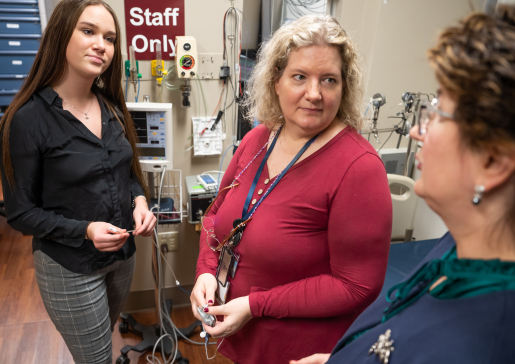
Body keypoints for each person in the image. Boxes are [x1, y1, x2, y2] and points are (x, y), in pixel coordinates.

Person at [292, 5, 515, 364]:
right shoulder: (461, 245)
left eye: (437, 115)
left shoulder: (482, 341)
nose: (416, 131)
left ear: (491, 162)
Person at [190, 15, 392, 364]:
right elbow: (215, 215)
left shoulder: (358, 167)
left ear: (343, 88)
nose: (314, 94)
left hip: (300, 353)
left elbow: (356, 285)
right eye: (300, 77)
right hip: (238, 337)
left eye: (328, 80)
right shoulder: (258, 138)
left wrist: (256, 305)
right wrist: (206, 271)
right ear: (276, 81)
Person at [0, 1, 156, 363]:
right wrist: (85, 230)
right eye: (88, 31)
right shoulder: (26, 120)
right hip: (69, 266)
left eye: (110, 38)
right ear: (60, 36)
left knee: (103, 342)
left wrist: (140, 203)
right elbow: (21, 214)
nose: (102, 44)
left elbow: (127, 173)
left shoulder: (112, 107)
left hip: (122, 258)